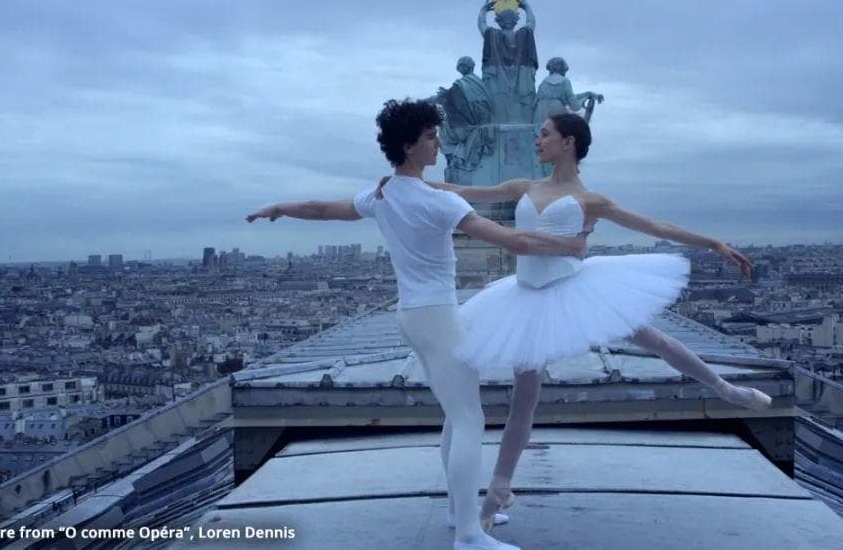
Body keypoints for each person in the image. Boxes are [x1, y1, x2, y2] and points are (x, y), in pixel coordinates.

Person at [397, 112, 773, 530]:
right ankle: (492, 500)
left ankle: (726, 389)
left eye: (544, 134)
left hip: (573, 290)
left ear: (568, 142)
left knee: (654, 341)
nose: (537, 140)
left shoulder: (591, 201)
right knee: (524, 402)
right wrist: (403, 184)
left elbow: (654, 226)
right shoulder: (523, 187)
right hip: (526, 297)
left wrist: (714, 243)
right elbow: (461, 190)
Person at [246, 100, 586, 550]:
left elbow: (323, 209)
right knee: (469, 420)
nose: (439, 144)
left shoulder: (382, 195)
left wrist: (278, 207)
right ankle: (468, 533)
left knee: (454, 413)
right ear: (409, 146)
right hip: (439, 316)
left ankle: (456, 511)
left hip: (412, 317)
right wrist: (568, 246)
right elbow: (514, 241)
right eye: (430, 137)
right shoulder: (439, 201)